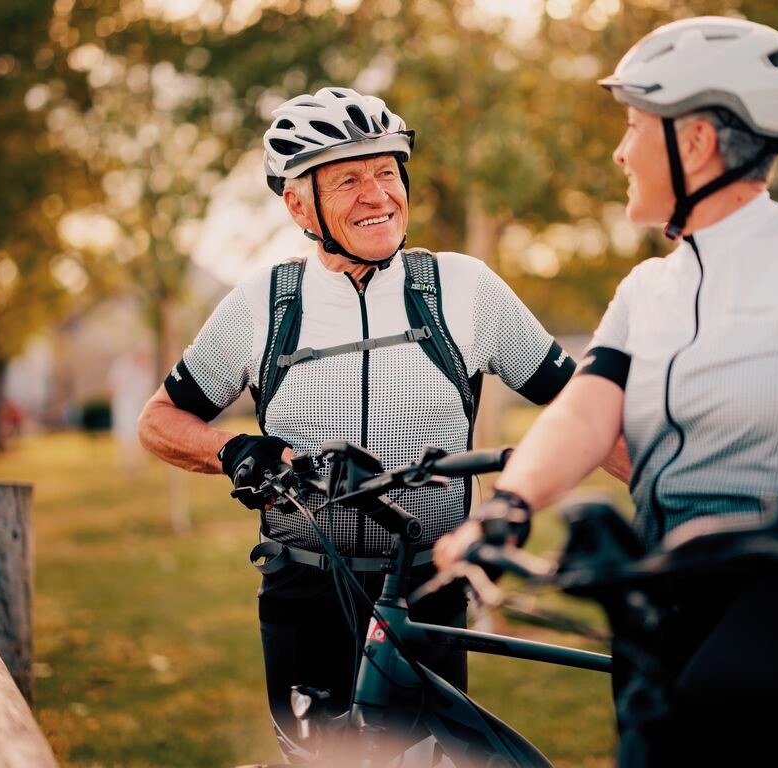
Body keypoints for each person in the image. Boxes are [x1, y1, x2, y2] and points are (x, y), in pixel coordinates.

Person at [435, 16, 778, 767]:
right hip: (668, 582)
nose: (620, 151)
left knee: (697, 735)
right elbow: (584, 412)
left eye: (635, 126)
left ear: (695, 141)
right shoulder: (647, 289)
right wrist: (509, 506)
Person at [136, 86, 596, 761]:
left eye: (387, 171)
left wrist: (668, 511)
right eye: (348, 179)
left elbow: (587, 406)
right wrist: (233, 449)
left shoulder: (462, 289)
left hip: (427, 587)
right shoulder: (263, 303)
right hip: (304, 589)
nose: (377, 194)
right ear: (299, 205)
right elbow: (159, 420)